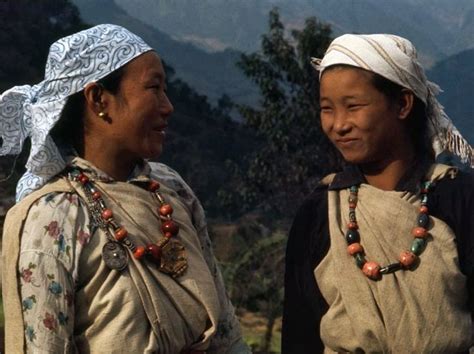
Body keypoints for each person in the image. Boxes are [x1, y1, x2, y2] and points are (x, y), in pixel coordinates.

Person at [1, 24, 250, 353]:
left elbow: (226, 335)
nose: (168, 106)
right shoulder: (53, 219)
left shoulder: (172, 190)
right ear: (99, 99)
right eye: (154, 88)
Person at [282, 33, 474, 353]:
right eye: (327, 109)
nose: (339, 124)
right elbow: (300, 336)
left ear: (402, 104)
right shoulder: (320, 213)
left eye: (353, 106)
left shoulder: (459, 200)